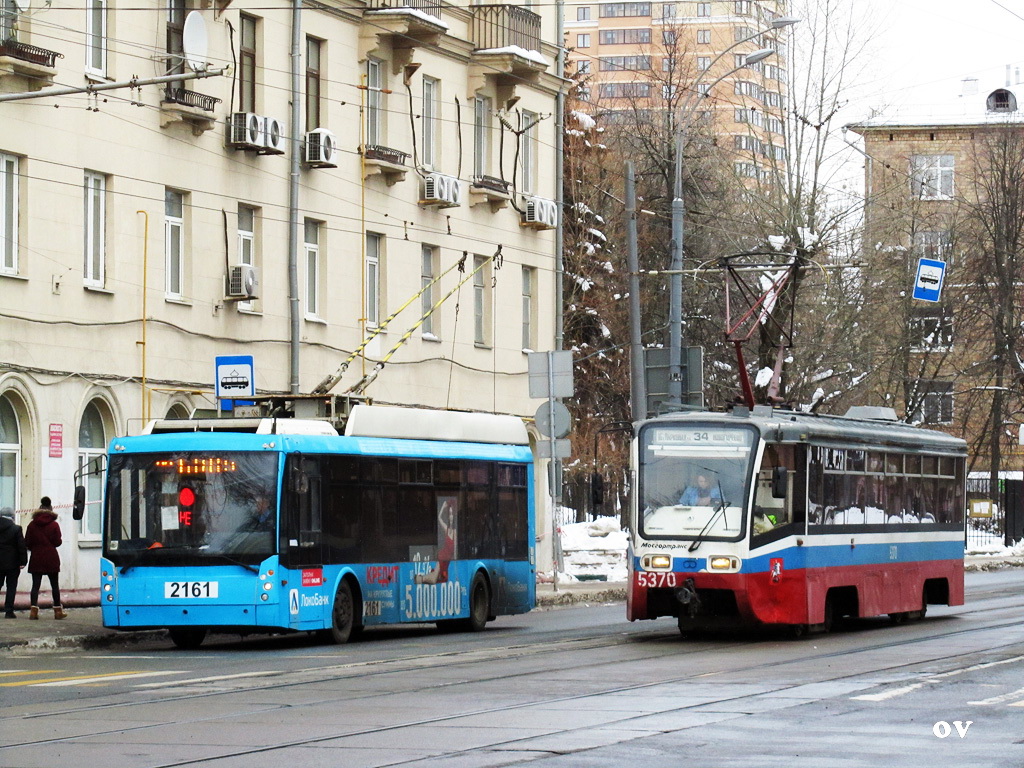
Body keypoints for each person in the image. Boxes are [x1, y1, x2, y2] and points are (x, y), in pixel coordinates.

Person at [25, 497, 66, 620]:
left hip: (36, 557)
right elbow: (57, 542)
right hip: (51, 557)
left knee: (35, 585)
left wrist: (36, 548)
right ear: (50, 509)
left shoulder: (32, 525)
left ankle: (33, 611)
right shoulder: (54, 524)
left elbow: (27, 542)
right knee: (54, 585)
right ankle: (58, 611)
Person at [0, 507, 27, 619]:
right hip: (12, 564)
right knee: (11, 587)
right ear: (12, 516)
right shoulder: (16, 529)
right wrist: (23, 561)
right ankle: (9, 611)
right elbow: (21, 546)